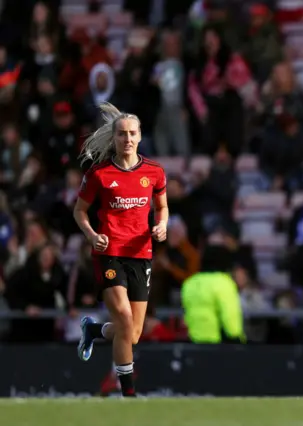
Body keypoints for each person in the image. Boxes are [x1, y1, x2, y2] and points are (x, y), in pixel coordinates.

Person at [73, 102, 169, 397]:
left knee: (133, 334)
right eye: (122, 134)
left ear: (140, 137)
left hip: (141, 255)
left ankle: (93, 331)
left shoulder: (154, 172)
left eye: (132, 134)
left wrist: (162, 225)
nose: (127, 139)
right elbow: (80, 211)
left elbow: (162, 208)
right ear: (113, 139)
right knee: (125, 320)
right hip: (109, 252)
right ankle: (128, 394)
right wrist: (91, 235)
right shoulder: (100, 175)